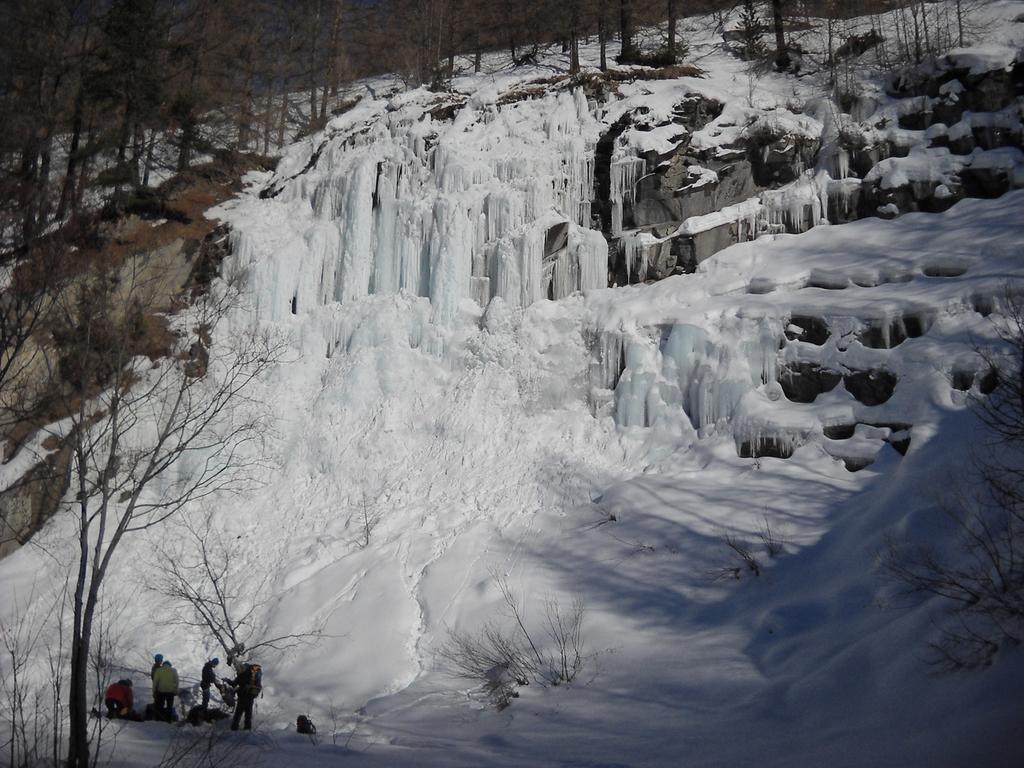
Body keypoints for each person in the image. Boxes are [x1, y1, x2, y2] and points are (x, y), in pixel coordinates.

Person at [229, 661, 262, 731]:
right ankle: (247, 729)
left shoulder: (242, 675)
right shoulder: (253, 675)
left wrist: (228, 680)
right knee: (248, 714)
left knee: (238, 714)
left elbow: (234, 683)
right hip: (250, 697)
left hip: (243, 697)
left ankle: (234, 729)